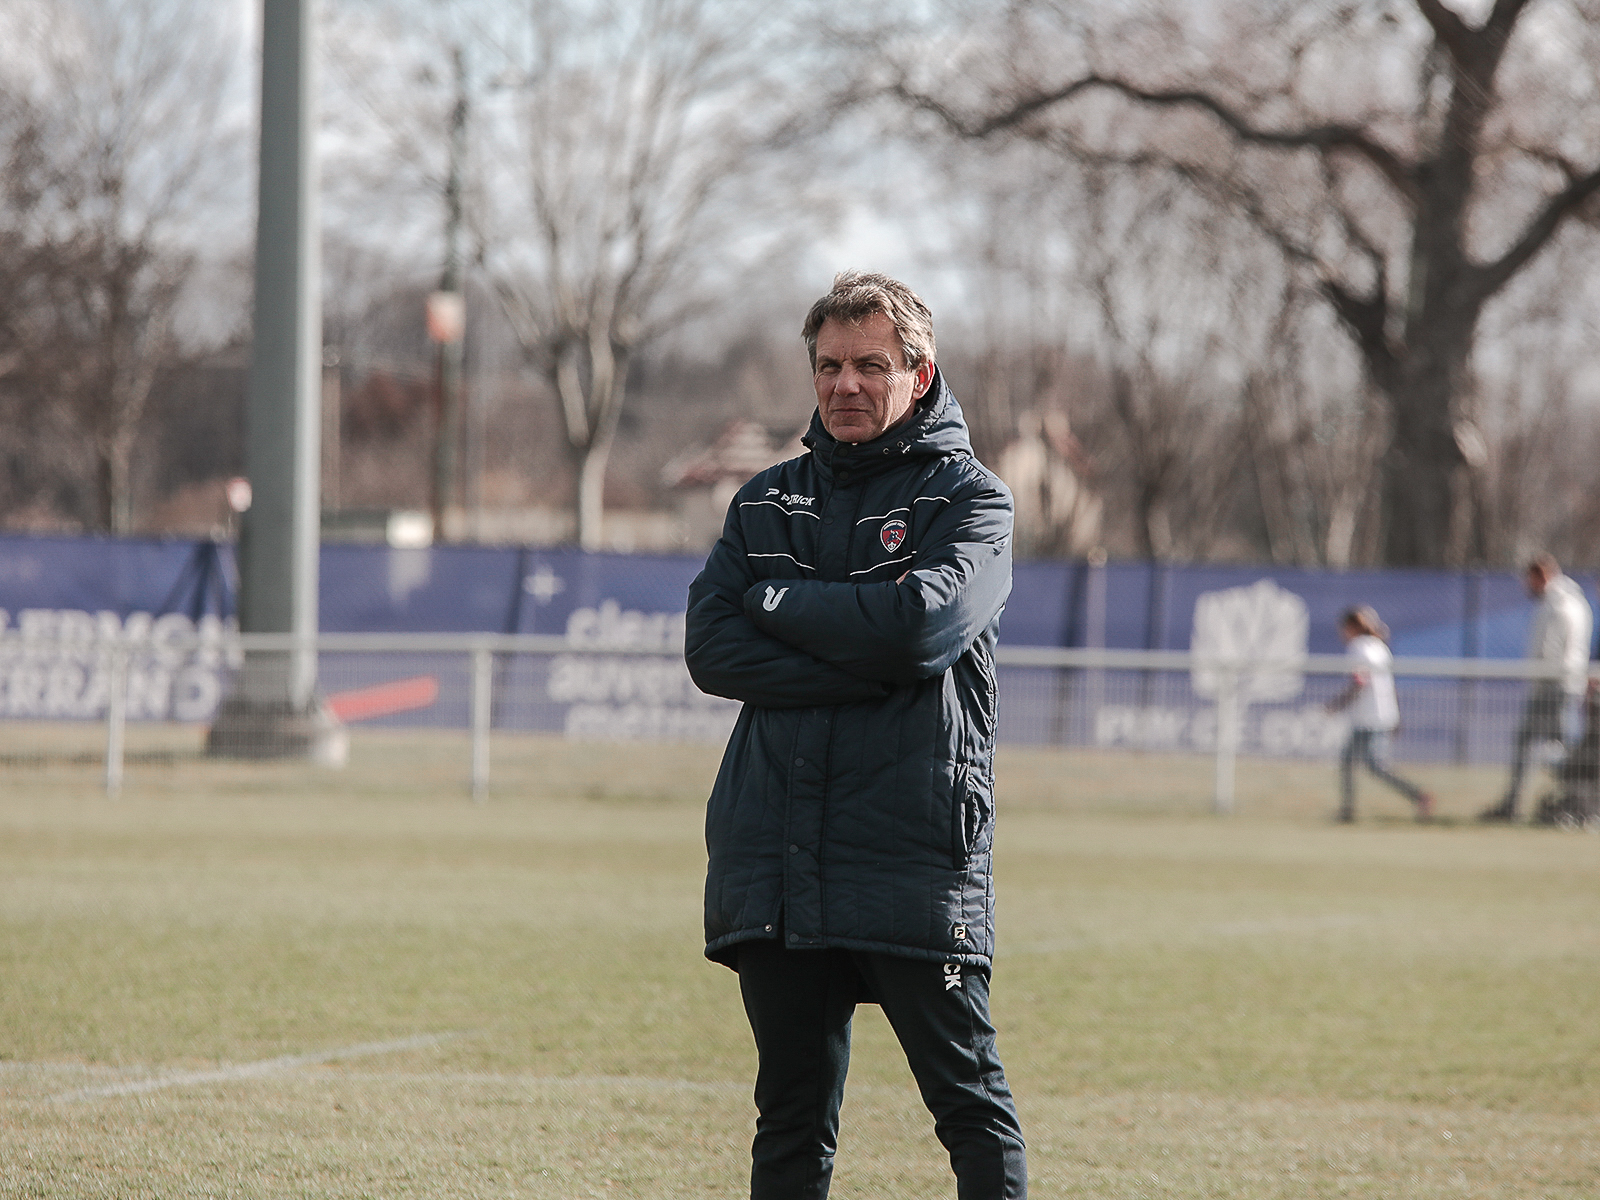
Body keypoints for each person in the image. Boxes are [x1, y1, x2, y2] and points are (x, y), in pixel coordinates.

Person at [685, 271, 1027, 1199]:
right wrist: (867, 656)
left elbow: (921, 627)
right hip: (776, 855)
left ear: (918, 374)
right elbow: (713, 650)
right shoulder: (765, 501)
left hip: (910, 848)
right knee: (789, 1118)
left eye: (869, 365)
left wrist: (782, 603)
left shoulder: (974, 502)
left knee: (968, 1107)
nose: (845, 385)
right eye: (829, 365)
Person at [1480, 555, 1595, 822]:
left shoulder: (1558, 605)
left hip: (1552, 685)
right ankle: (1567, 803)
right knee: (1552, 746)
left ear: (1541, 577)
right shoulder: (1575, 602)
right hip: (1562, 684)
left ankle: (1574, 804)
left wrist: (1541, 676)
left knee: (1557, 749)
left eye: (1530, 580)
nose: (1527, 586)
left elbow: (1549, 650)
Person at [1325, 606, 1434, 823]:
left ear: (1351, 627)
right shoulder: (1379, 646)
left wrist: (1337, 705)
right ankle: (1347, 810)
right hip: (1382, 715)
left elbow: (1360, 681)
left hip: (1368, 717)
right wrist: (1397, 716)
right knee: (1349, 760)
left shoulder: (1358, 647)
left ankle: (1419, 796)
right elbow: (1388, 685)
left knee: (1375, 766)